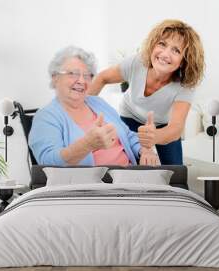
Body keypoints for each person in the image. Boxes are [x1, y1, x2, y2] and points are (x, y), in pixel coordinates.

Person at [88, 19, 205, 165]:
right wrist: (82, 111)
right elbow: (102, 78)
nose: (165, 54)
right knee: (132, 166)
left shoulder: (185, 85)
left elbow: (176, 128)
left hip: (162, 125)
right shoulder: (137, 63)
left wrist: (153, 136)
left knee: (175, 172)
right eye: (162, 44)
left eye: (176, 50)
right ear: (153, 44)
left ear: (183, 61)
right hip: (129, 118)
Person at [29, 46, 159, 166]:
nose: (81, 80)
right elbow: (48, 163)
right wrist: (87, 144)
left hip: (127, 179)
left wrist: (144, 150)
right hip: (89, 187)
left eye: (87, 75)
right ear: (55, 77)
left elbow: (128, 136)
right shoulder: (45, 117)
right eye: (73, 73)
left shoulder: (98, 103)